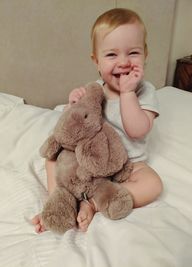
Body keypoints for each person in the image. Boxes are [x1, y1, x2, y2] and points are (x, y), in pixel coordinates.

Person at [32, 8, 163, 233]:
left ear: (145, 55)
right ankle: (59, 203)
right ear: (96, 61)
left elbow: (137, 130)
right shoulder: (94, 90)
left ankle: (94, 203)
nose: (123, 62)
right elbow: (74, 126)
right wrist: (73, 104)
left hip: (126, 166)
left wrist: (127, 94)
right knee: (52, 160)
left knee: (153, 184)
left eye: (133, 53)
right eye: (111, 55)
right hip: (88, 161)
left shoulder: (145, 91)